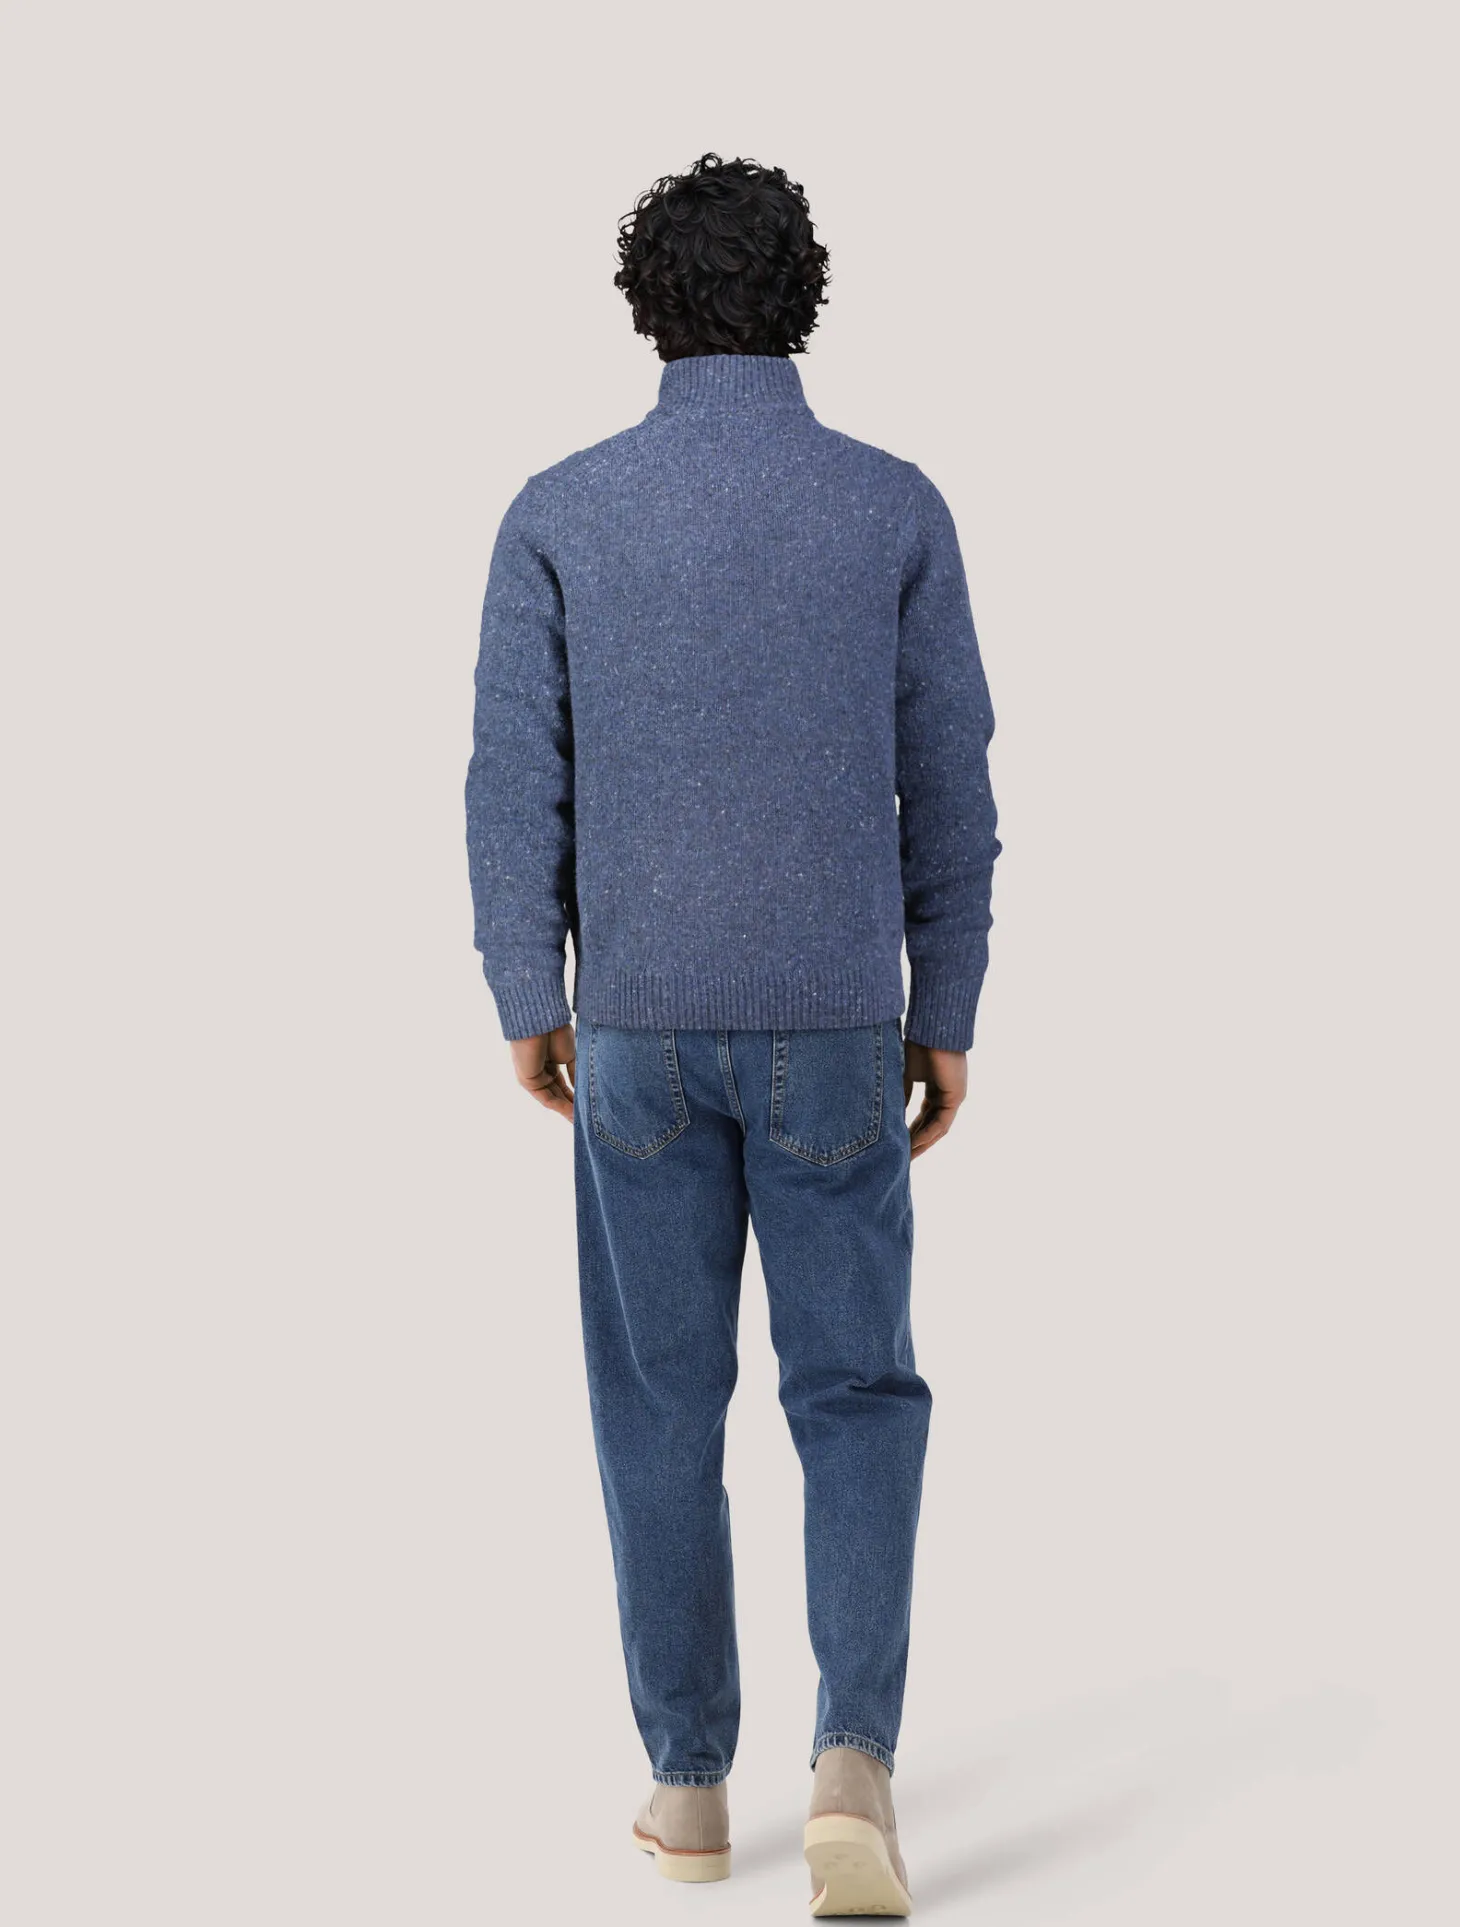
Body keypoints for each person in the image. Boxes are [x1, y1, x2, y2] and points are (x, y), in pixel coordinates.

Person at [465, 151, 1000, 1916]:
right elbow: (950, 777)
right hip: (838, 1019)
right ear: (802, 297)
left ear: (648, 305)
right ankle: (852, 1762)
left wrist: (528, 995)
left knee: (656, 1401)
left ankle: (689, 1785)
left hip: (631, 1024)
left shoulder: (561, 510)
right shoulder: (892, 507)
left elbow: (512, 778)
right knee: (856, 1390)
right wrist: (949, 1005)